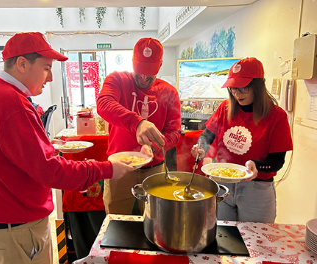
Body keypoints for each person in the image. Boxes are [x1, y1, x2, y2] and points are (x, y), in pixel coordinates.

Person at [0, 32, 134, 264]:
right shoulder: (10, 102)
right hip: (14, 225)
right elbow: (49, 171)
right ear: (22, 64)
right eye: (46, 68)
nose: (51, 77)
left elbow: (4, 152)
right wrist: (107, 169)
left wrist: (47, 145)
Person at [191, 57, 293, 223]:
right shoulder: (224, 108)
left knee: (256, 241)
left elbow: (277, 161)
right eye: (232, 89)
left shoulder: (277, 116)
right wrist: (201, 148)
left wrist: (257, 166)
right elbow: (207, 136)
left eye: (243, 88)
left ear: (258, 86)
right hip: (221, 183)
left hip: (257, 190)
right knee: (222, 236)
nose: (236, 94)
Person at [97, 38, 182, 215]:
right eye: (140, 70)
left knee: (156, 221)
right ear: (133, 61)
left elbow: (174, 132)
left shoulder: (169, 92)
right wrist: (138, 122)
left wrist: (155, 146)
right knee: (116, 221)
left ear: (160, 66)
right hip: (119, 168)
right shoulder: (117, 79)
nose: (143, 77)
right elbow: (104, 104)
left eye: (149, 72)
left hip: (154, 169)